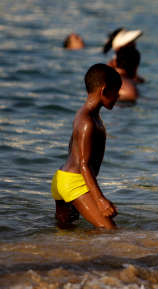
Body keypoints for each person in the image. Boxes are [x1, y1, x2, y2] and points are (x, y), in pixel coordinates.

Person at [50, 63, 122, 229]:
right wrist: (100, 199)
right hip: (74, 181)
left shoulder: (84, 114)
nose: (118, 96)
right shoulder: (88, 121)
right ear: (103, 91)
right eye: (116, 91)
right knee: (110, 232)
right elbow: (84, 164)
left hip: (62, 177)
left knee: (67, 230)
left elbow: (72, 148)